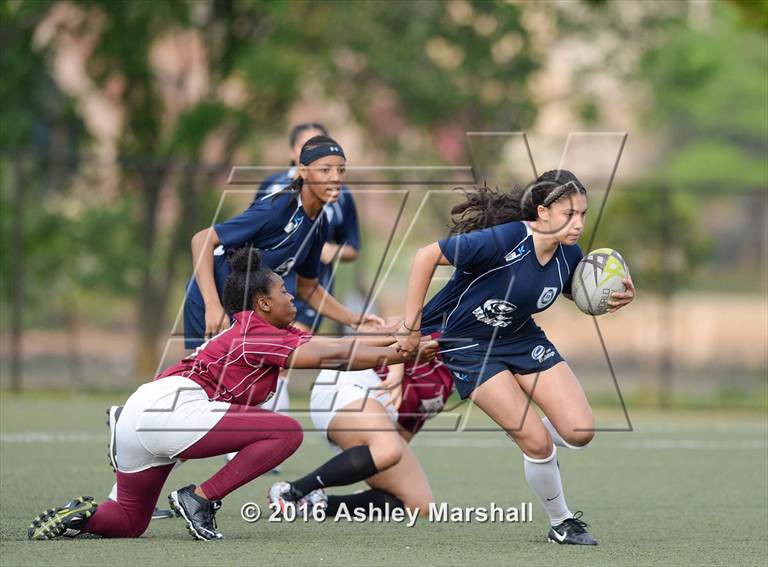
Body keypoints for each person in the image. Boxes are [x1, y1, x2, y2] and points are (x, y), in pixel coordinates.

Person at [27, 248, 432, 541]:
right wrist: (401, 350)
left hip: (148, 415)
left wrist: (401, 343)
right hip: (170, 412)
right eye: (284, 292)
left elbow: (339, 344)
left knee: (129, 521)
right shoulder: (256, 333)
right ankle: (199, 499)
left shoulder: (272, 330)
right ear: (262, 303)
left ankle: (81, 515)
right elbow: (338, 355)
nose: (291, 296)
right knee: (286, 432)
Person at [394, 170, 635, 545]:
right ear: (542, 212)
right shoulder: (504, 240)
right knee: (538, 444)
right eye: (569, 214)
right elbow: (425, 256)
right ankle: (562, 522)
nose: (579, 224)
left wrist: (610, 297)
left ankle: (524, 430)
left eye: (584, 214)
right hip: (468, 344)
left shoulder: (569, 254)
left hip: (520, 337)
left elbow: (574, 291)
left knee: (580, 431)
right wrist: (412, 327)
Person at [184, 133, 380, 350]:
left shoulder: (320, 223)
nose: (336, 177)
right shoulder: (277, 208)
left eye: (341, 170)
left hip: (246, 310)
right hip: (210, 298)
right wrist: (212, 306)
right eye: (325, 170)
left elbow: (309, 288)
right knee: (206, 378)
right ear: (303, 172)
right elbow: (201, 239)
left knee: (250, 380)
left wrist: (355, 319)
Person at [268, 334, 453, 517]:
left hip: (372, 415)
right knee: (387, 449)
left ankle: (316, 504)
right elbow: (396, 330)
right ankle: (292, 491)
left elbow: (401, 435)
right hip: (348, 380)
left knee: (419, 505)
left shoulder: (451, 383)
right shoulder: (449, 328)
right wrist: (396, 371)